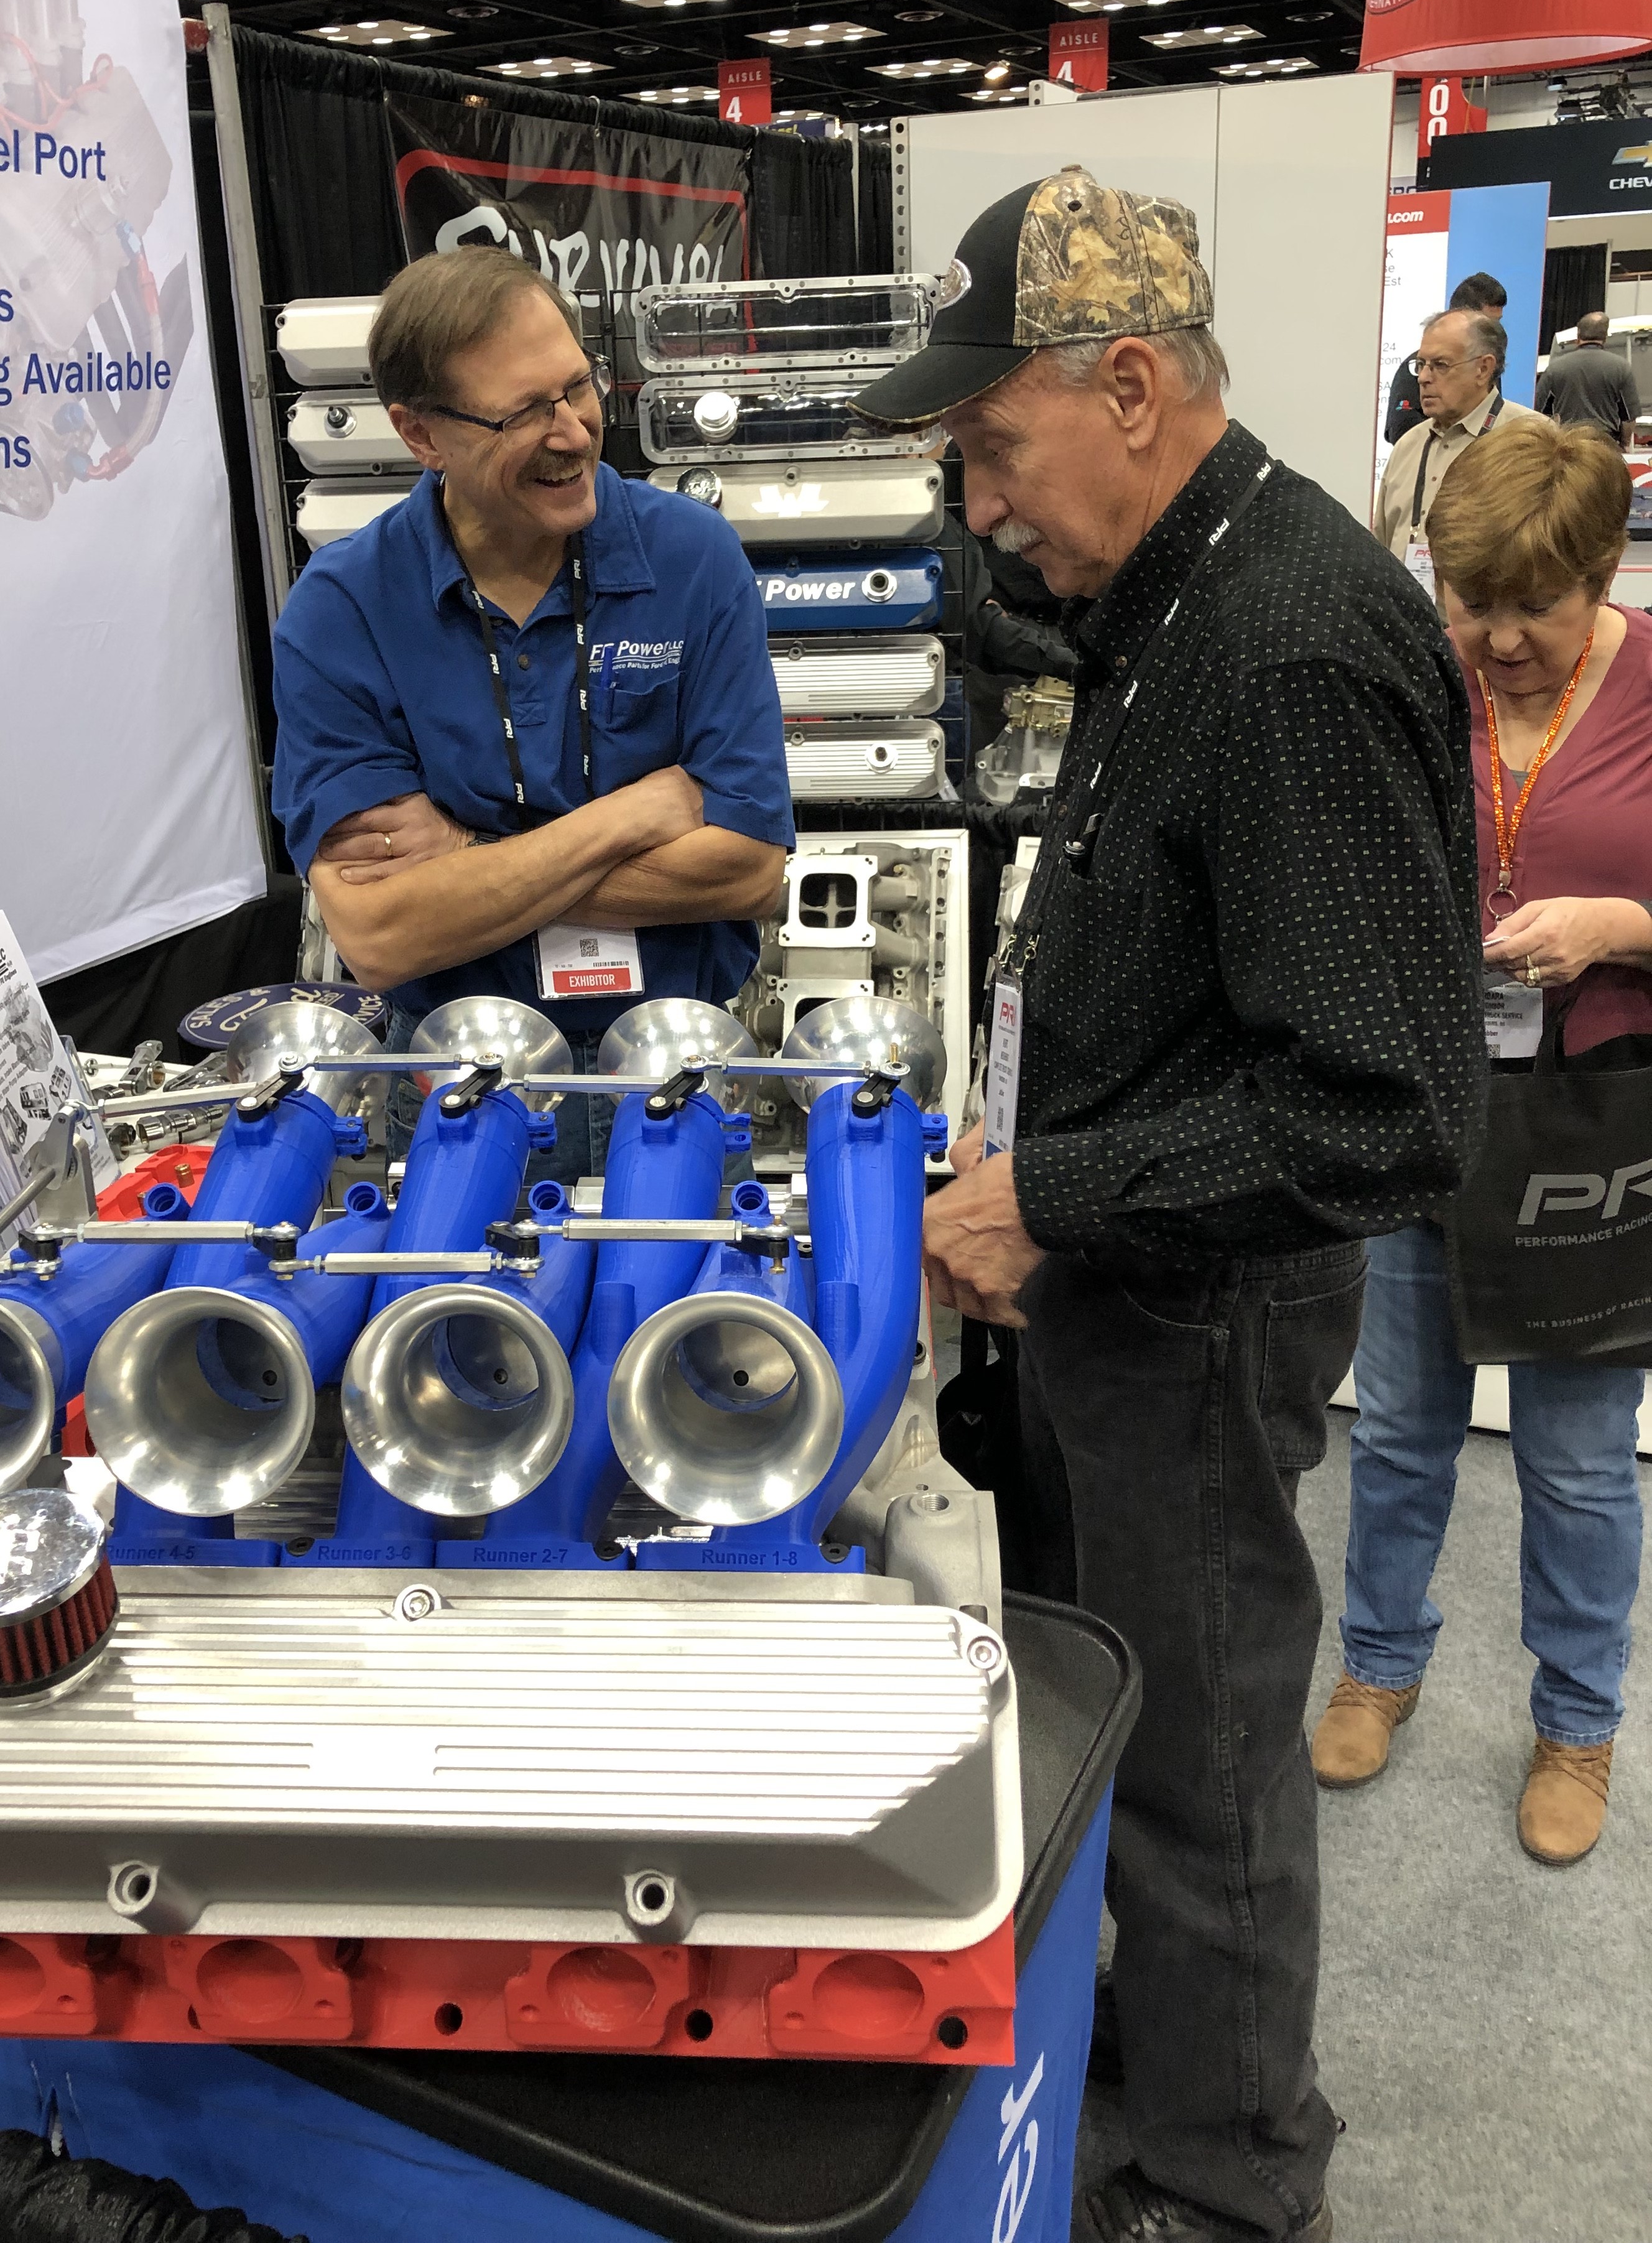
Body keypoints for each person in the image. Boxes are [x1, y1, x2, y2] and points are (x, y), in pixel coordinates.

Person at [856, 164, 1485, 2243]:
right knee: (1126, 1699)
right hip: (1124, 1273)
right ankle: (1163, 2043)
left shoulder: (1291, 642)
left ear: (1129, 387)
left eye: (990, 447)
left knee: (1205, 1750)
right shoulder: (1184, 592)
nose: (978, 508)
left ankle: (1233, 2182)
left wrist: (1057, 1192)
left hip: (1194, 1301)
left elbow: (1387, 1112)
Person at [1312, 416, 1651, 1867]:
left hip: (1593, 1115)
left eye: (1536, 608)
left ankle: (1578, 1719)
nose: (1501, 640)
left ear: (1605, 573)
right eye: (1473, 603)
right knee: (1399, 1427)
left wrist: (1619, 928)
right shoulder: (1417, 677)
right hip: (1427, 1106)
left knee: (1576, 1458)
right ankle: (1378, 1665)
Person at [270, 247, 793, 1176]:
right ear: (421, 435)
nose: (574, 433)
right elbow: (381, 935)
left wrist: (463, 860)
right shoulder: (343, 608)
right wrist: (631, 818)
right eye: (522, 414)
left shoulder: (692, 557)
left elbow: (749, 871)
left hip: (680, 1066)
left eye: (578, 387)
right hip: (461, 1081)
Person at [1373, 305, 1541, 578]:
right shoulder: (1408, 446)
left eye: (1440, 365)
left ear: (1483, 369)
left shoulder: (1533, 441)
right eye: (1421, 365)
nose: (1423, 378)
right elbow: (1380, 547)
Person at [1382, 270, 1505, 447]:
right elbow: (1401, 430)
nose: (1496, 333)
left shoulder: (1486, 365)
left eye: (1498, 322)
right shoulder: (1415, 367)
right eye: (1489, 324)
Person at [1536, 309, 1640, 448]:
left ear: (1578, 335)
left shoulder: (1555, 368)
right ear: (1605, 337)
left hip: (1567, 444)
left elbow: (1539, 410)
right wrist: (1623, 444)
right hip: (1604, 445)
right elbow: (1629, 418)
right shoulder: (1621, 367)